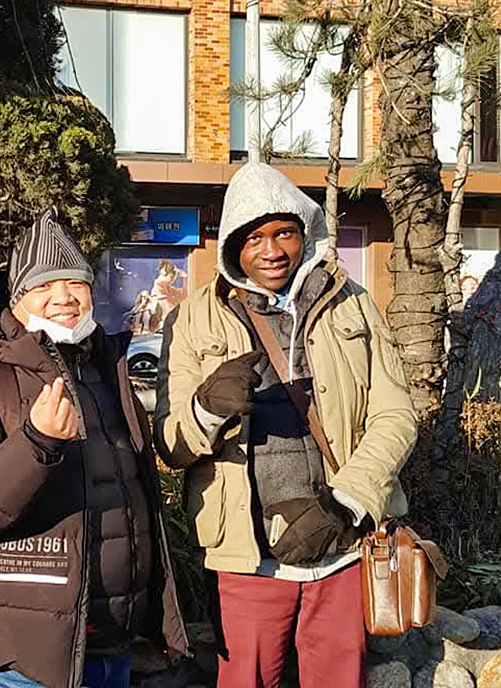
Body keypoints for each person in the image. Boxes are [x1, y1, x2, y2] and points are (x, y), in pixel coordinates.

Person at [155, 162, 417, 688]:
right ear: (232, 246)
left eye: (283, 234)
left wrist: (347, 500)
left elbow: (397, 413)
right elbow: (171, 444)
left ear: (305, 233)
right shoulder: (192, 319)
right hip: (247, 558)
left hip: (343, 549)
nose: (271, 250)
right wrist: (207, 409)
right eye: (254, 239)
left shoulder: (354, 304)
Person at [0, 210, 189, 688]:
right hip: (22, 656)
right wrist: (37, 442)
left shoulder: (107, 370)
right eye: (44, 286)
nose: (64, 298)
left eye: (76, 283)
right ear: (17, 299)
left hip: (111, 641)